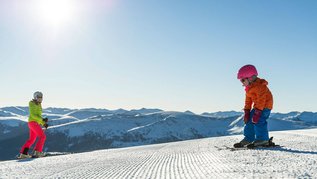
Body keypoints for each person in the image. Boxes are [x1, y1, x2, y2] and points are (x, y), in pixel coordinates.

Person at [234, 64, 273, 148]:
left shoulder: (260, 86)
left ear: (250, 78)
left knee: (259, 121)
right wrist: (247, 112)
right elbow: (248, 101)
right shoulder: (249, 88)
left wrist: (258, 113)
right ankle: (249, 138)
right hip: (258, 107)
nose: (242, 83)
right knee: (249, 121)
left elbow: (261, 100)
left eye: (242, 80)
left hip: (265, 106)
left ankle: (263, 139)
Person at [18, 91, 48, 158]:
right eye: (38, 98)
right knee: (42, 137)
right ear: (35, 97)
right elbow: (33, 115)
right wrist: (42, 120)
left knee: (32, 139)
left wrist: (43, 123)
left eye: (41, 98)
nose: (40, 99)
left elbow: (38, 116)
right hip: (33, 123)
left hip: (34, 123)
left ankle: (23, 154)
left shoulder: (39, 105)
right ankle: (37, 152)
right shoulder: (32, 103)